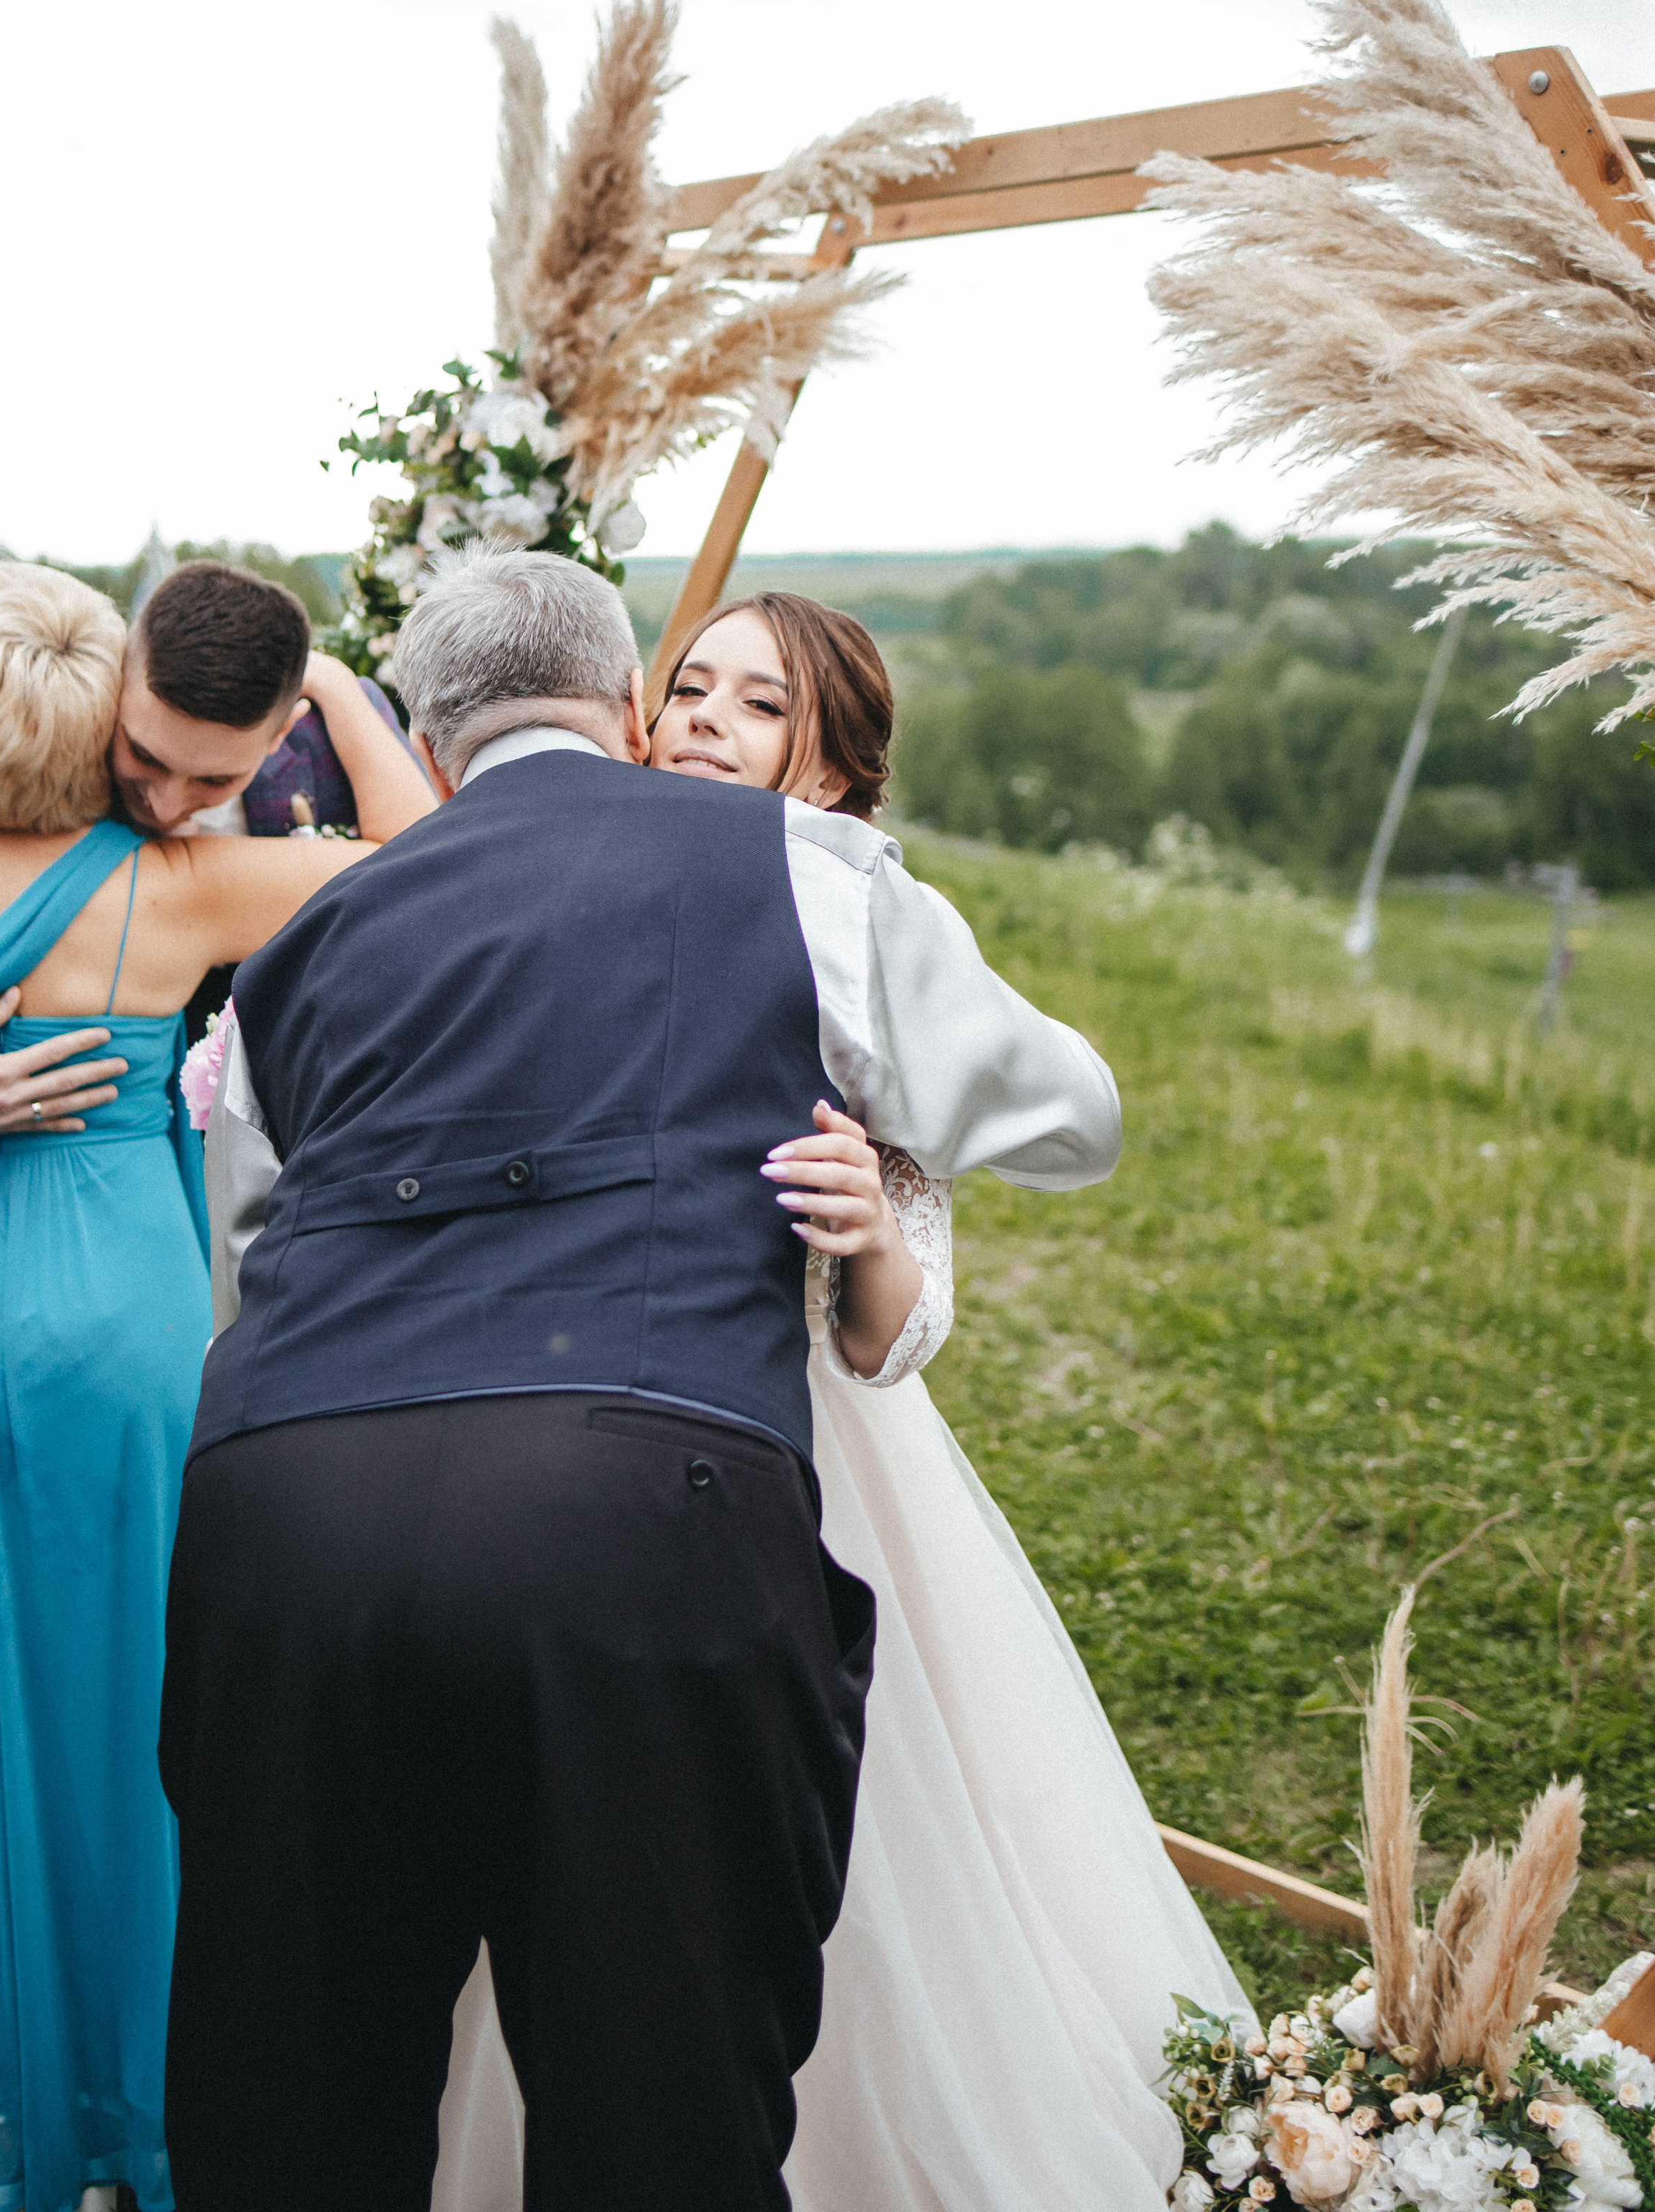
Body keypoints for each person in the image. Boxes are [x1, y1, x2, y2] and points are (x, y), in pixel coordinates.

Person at [165, 547, 1123, 2212]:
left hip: (287, 1524)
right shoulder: (797, 877)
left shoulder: (300, 942)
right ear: (626, 707)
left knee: (293, 2104)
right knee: (653, 2100)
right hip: (634, 1514)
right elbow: (1069, 1113)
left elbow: (250, 1263)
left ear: (428, 744)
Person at [425, 592, 1253, 2212]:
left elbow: (899, 1329)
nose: (704, 720)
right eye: (689, 687)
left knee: (816, 1843)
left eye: (759, 703)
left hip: (792, 1450)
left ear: (827, 770)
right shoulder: (559, 880)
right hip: (547, 1415)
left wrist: (868, 1225)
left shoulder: (831, 913)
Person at [0, 559, 433, 2212]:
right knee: (125, 1706)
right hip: (108, 1337)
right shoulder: (174, 889)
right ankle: (121, 2102)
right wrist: (335, 692)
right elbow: (433, 863)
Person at [0, 556, 426, 1180]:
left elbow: (435, 880)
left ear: (283, 730)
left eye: (215, 780)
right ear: (118, 686)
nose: (167, 805)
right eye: (144, 756)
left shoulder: (340, 733)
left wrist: (337, 686)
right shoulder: (30, 757)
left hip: (306, 1160)